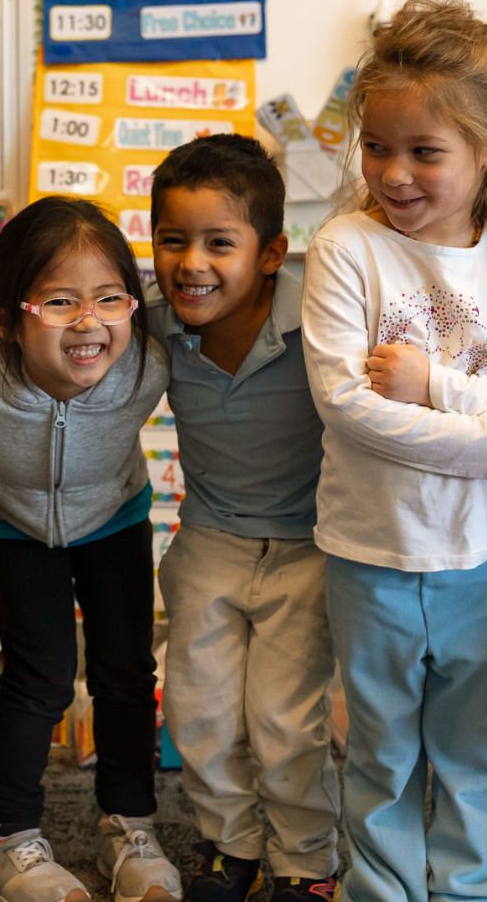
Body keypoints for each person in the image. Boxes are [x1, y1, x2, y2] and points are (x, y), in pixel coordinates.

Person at [301, 0, 487, 901]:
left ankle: (474, 891)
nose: (394, 173)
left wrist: (436, 388)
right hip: (370, 555)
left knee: (473, 754)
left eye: (425, 152)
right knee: (378, 753)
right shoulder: (345, 248)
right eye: (377, 147)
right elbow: (346, 407)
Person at [0, 196, 179, 902]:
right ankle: (4, 839)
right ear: (4, 316)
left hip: (115, 516)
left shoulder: (147, 361)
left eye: (110, 298)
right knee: (41, 677)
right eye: (59, 302)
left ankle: (129, 825)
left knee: (125, 671)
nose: (89, 323)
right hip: (12, 526)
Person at [146, 134, 340, 902]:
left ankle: (306, 860)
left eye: (219, 243)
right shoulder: (154, 319)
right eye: (172, 240)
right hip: (210, 540)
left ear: (271, 255)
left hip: (309, 546)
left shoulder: (322, 313)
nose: (191, 263)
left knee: (286, 721)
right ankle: (229, 845)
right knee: (198, 709)